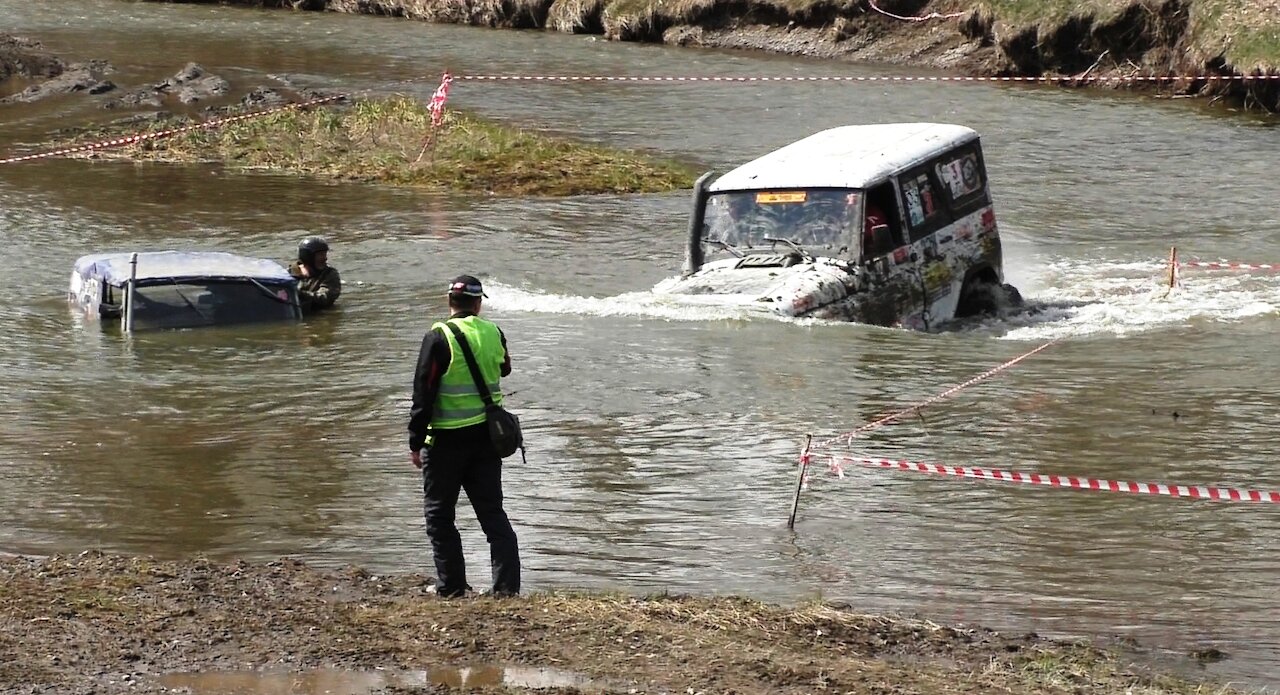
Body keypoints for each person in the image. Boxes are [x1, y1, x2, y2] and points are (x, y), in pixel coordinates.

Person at [408, 275, 520, 598]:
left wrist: (415, 442)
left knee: (440, 516)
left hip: (444, 443)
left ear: (449, 303)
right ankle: (506, 589)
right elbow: (505, 369)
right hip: (487, 441)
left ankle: (453, 586)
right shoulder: (494, 332)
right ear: (478, 303)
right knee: (493, 516)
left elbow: (422, 394)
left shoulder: (437, 337)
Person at [289, 236, 341, 313]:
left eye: (325, 254)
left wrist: (299, 293)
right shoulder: (291, 271)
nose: (325, 258)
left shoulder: (330, 274)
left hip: (319, 314)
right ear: (308, 256)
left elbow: (324, 298)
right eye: (321, 255)